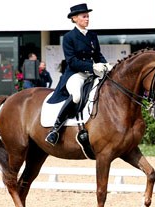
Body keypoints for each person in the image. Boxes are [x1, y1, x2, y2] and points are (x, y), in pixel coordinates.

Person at [45, 3, 112, 146]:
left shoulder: (92, 35)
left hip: (92, 74)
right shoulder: (69, 37)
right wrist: (93, 66)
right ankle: (55, 129)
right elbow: (72, 61)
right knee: (76, 96)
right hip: (76, 74)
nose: (87, 19)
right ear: (75, 18)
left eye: (88, 16)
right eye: (84, 16)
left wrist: (106, 65)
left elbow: (98, 55)